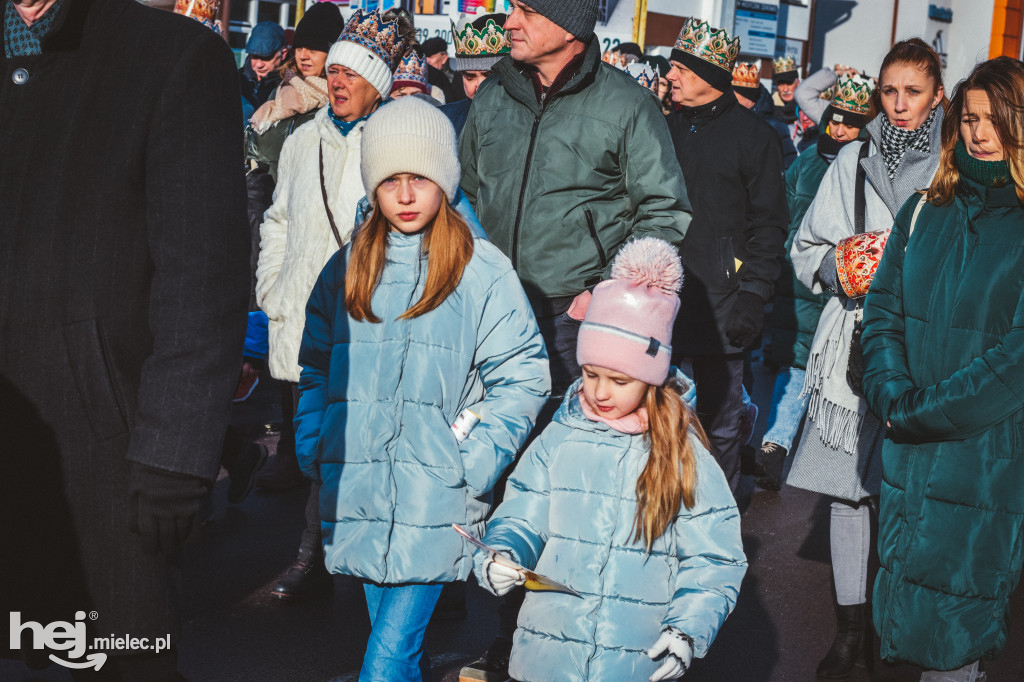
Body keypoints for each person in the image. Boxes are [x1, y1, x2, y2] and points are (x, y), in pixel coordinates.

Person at [1, 0, 248, 677]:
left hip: (100, 456)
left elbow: (202, 277)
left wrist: (175, 454)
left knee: (113, 659)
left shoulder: (171, 57)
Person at [458, 0, 691, 674]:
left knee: (563, 481)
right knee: (493, 471)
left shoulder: (625, 105)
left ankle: (556, 631)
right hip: (491, 313)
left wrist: (608, 288)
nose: (509, 19)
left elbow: (664, 210)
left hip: (575, 320)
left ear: (571, 21)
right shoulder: (493, 97)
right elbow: (465, 192)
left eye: (527, 7)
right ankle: (499, 626)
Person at [295, 95, 549, 681]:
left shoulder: (482, 269)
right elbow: (314, 365)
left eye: (420, 178)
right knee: (398, 654)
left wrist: (471, 462)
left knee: (383, 664)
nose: (406, 196)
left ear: (445, 178)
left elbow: (523, 373)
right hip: (357, 487)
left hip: (438, 496)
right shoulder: (347, 267)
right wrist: (316, 441)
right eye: (389, 182)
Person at [473, 238, 746, 681]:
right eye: (590, 373)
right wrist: (502, 552)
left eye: (618, 379)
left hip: (633, 662)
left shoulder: (679, 450)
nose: (599, 392)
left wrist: (687, 630)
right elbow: (525, 509)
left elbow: (715, 557)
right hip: (549, 655)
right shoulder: (560, 436)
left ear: (650, 376)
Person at [861, 56, 1024, 682]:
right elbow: (883, 312)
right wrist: (890, 391)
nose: (979, 132)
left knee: (956, 628)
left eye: (995, 120)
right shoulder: (925, 211)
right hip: (907, 449)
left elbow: (1014, 360)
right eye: (970, 118)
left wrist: (921, 410)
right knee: (902, 610)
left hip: (987, 461)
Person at [788, 38, 946, 681]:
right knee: (848, 496)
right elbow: (804, 249)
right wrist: (839, 265)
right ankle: (851, 635)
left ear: (938, 93)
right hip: (848, 347)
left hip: (927, 348)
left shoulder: (956, 163)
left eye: (914, 91)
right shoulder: (851, 159)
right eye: (889, 91)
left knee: (911, 493)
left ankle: (895, 625)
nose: (900, 105)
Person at [255, 8, 408, 601]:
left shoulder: (395, 142)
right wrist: (273, 287)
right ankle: (318, 555)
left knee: (362, 446)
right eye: (334, 70)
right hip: (304, 318)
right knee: (316, 441)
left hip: (367, 318)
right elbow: (278, 220)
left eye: (352, 71)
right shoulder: (300, 140)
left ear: (379, 82)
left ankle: (327, 558)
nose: (337, 80)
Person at [664, 17, 789, 491]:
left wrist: (753, 295)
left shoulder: (755, 137)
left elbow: (769, 224)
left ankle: (720, 526)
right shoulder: (662, 128)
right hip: (663, 297)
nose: (670, 75)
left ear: (709, 76)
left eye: (681, 68)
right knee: (660, 419)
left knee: (719, 425)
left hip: (724, 305)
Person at [755, 73, 876, 490]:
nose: (839, 128)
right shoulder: (807, 161)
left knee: (804, 363)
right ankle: (771, 436)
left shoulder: (868, 169)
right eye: (835, 119)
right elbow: (782, 212)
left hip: (835, 284)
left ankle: (779, 445)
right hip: (794, 276)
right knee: (792, 361)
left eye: (850, 123)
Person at [246, 1, 344, 182]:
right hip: (268, 201)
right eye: (299, 48)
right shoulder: (281, 91)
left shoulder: (340, 101)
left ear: (332, 53)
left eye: (313, 50)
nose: (303, 56)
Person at [440, 12, 509, 135]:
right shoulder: (443, 119)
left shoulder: (528, 121)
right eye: (469, 77)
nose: (480, 85)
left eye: (489, 76)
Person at [732, 60, 798, 169]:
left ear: (749, 97)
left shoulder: (774, 127)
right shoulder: (729, 119)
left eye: (735, 95)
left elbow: (788, 166)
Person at [240, 21, 286, 126]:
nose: (259, 64)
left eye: (266, 57)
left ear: (283, 54)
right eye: (254, 57)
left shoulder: (290, 85)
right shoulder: (238, 80)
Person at [773, 54, 817, 152]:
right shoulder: (769, 107)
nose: (785, 89)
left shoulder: (808, 104)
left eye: (789, 83)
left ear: (798, 82)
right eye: (780, 84)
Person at [422, 35, 465, 103]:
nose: (427, 61)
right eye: (425, 57)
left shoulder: (456, 80)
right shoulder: (423, 78)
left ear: (444, 58)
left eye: (431, 57)